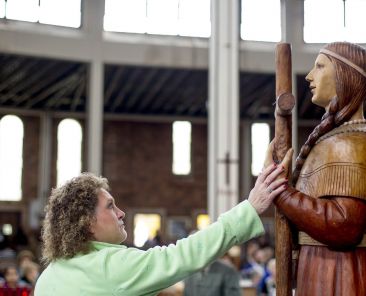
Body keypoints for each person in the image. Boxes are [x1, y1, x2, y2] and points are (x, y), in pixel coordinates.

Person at [34, 157, 291, 296]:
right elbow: (183, 255)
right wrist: (250, 207)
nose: (121, 213)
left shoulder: (48, 276)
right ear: (87, 222)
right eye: (111, 206)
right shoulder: (111, 266)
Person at [272, 42, 366, 295]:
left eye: (320, 66)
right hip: (323, 267)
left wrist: (281, 193)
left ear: (346, 75)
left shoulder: (349, 143)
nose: (309, 76)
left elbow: (344, 225)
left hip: (340, 272)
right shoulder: (333, 140)